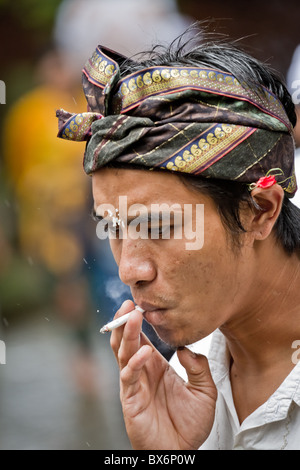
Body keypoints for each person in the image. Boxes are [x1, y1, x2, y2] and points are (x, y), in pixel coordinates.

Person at [57, 27, 300, 450]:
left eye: (158, 227)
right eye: (113, 227)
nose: (129, 270)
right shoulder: (184, 379)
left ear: (260, 210)